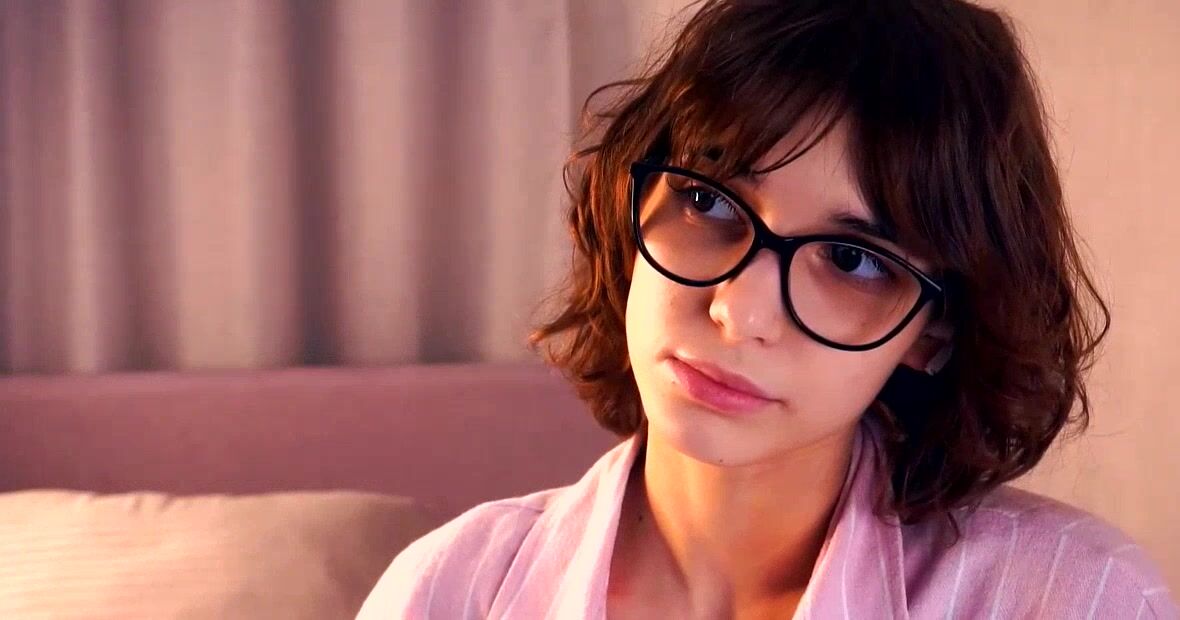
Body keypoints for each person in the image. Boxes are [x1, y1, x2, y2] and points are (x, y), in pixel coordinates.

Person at [358, 0, 1177, 617]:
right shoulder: (451, 589)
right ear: (627, 207)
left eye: (851, 260)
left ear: (933, 331)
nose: (739, 312)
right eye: (708, 202)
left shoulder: (1072, 598)